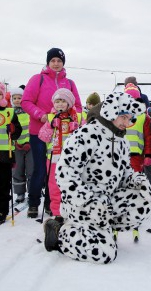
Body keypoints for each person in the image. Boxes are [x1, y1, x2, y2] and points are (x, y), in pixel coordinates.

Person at [43, 92, 151, 263]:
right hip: (83, 205)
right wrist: (88, 202)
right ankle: (60, 232)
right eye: (123, 117)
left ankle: (101, 229)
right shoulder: (85, 135)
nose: (127, 123)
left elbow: (124, 174)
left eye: (130, 118)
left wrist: (137, 181)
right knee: (105, 254)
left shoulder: (122, 142)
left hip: (106, 203)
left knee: (145, 200)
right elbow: (65, 173)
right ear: (111, 112)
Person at [21, 48, 82, 218]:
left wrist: (73, 119)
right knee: (40, 169)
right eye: (53, 60)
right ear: (48, 62)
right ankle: (33, 203)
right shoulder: (37, 79)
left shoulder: (69, 83)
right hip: (39, 132)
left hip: (62, 135)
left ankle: (51, 204)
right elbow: (26, 101)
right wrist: (41, 116)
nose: (56, 64)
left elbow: (77, 106)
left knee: (56, 170)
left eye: (59, 61)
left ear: (63, 63)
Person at [38, 88, 85, 221]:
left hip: (73, 160)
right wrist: (50, 126)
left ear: (69, 103)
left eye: (63, 101)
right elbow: (43, 137)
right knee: (54, 186)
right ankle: (57, 213)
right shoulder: (51, 117)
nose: (60, 104)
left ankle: (74, 211)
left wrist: (77, 128)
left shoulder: (79, 117)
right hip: (54, 159)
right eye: (57, 101)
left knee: (73, 185)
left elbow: (87, 138)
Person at [123, 83, 151, 241]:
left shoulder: (143, 116)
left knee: (134, 184)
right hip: (120, 156)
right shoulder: (117, 115)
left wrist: (148, 154)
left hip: (137, 156)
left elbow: (148, 137)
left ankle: (134, 210)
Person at [0, 82, 22, 224]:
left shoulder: (9, 112)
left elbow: (18, 131)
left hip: (4, 154)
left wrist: (13, 129)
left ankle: (2, 209)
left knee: (3, 184)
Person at [10, 87, 33, 203]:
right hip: (16, 146)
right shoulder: (10, 113)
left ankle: (32, 192)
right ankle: (20, 193)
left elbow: (31, 128)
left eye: (19, 98)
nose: (17, 100)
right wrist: (15, 142)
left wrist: (29, 141)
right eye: (15, 98)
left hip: (29, 145)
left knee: (31, 170)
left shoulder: (29, 111)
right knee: (18, 170)